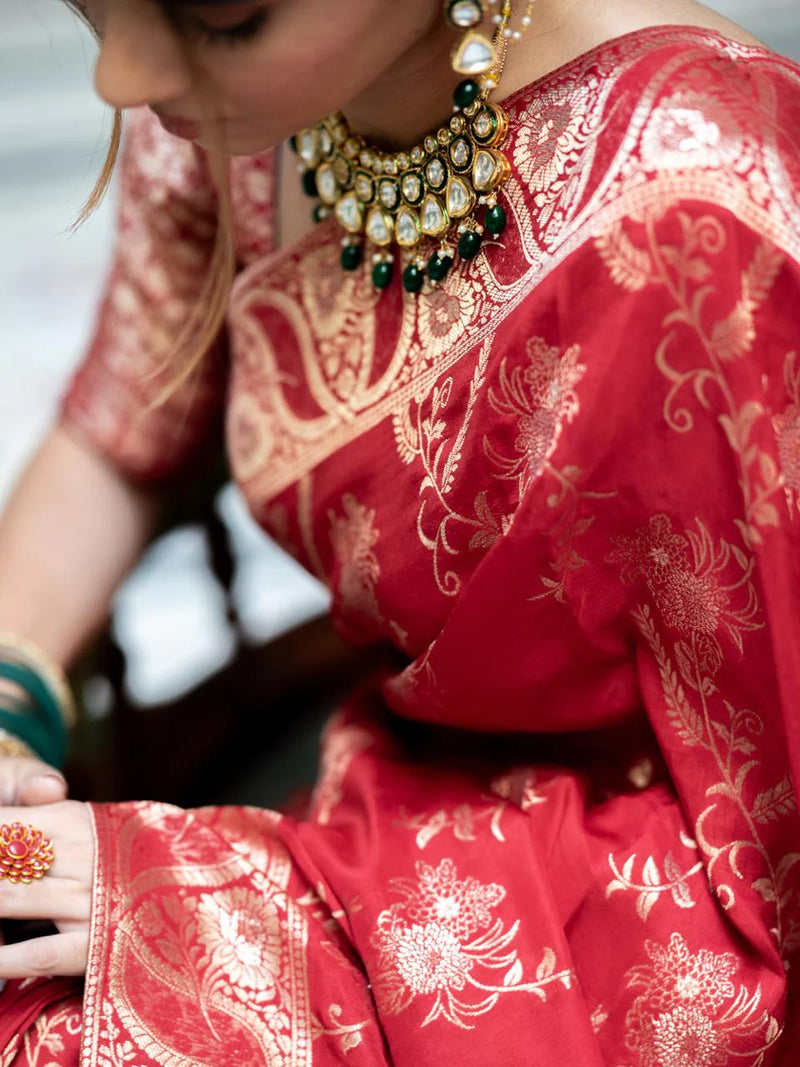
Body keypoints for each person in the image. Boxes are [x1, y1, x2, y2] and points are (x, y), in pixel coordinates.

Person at [0, 0, 798, 1061]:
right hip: (370, 765)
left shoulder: (710, 199)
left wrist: (220, 913)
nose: (125, 78)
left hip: (624, 890)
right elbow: (124, 432)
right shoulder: (242, 112)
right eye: (96, 6)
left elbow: (765, 884)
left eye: (223, 16)